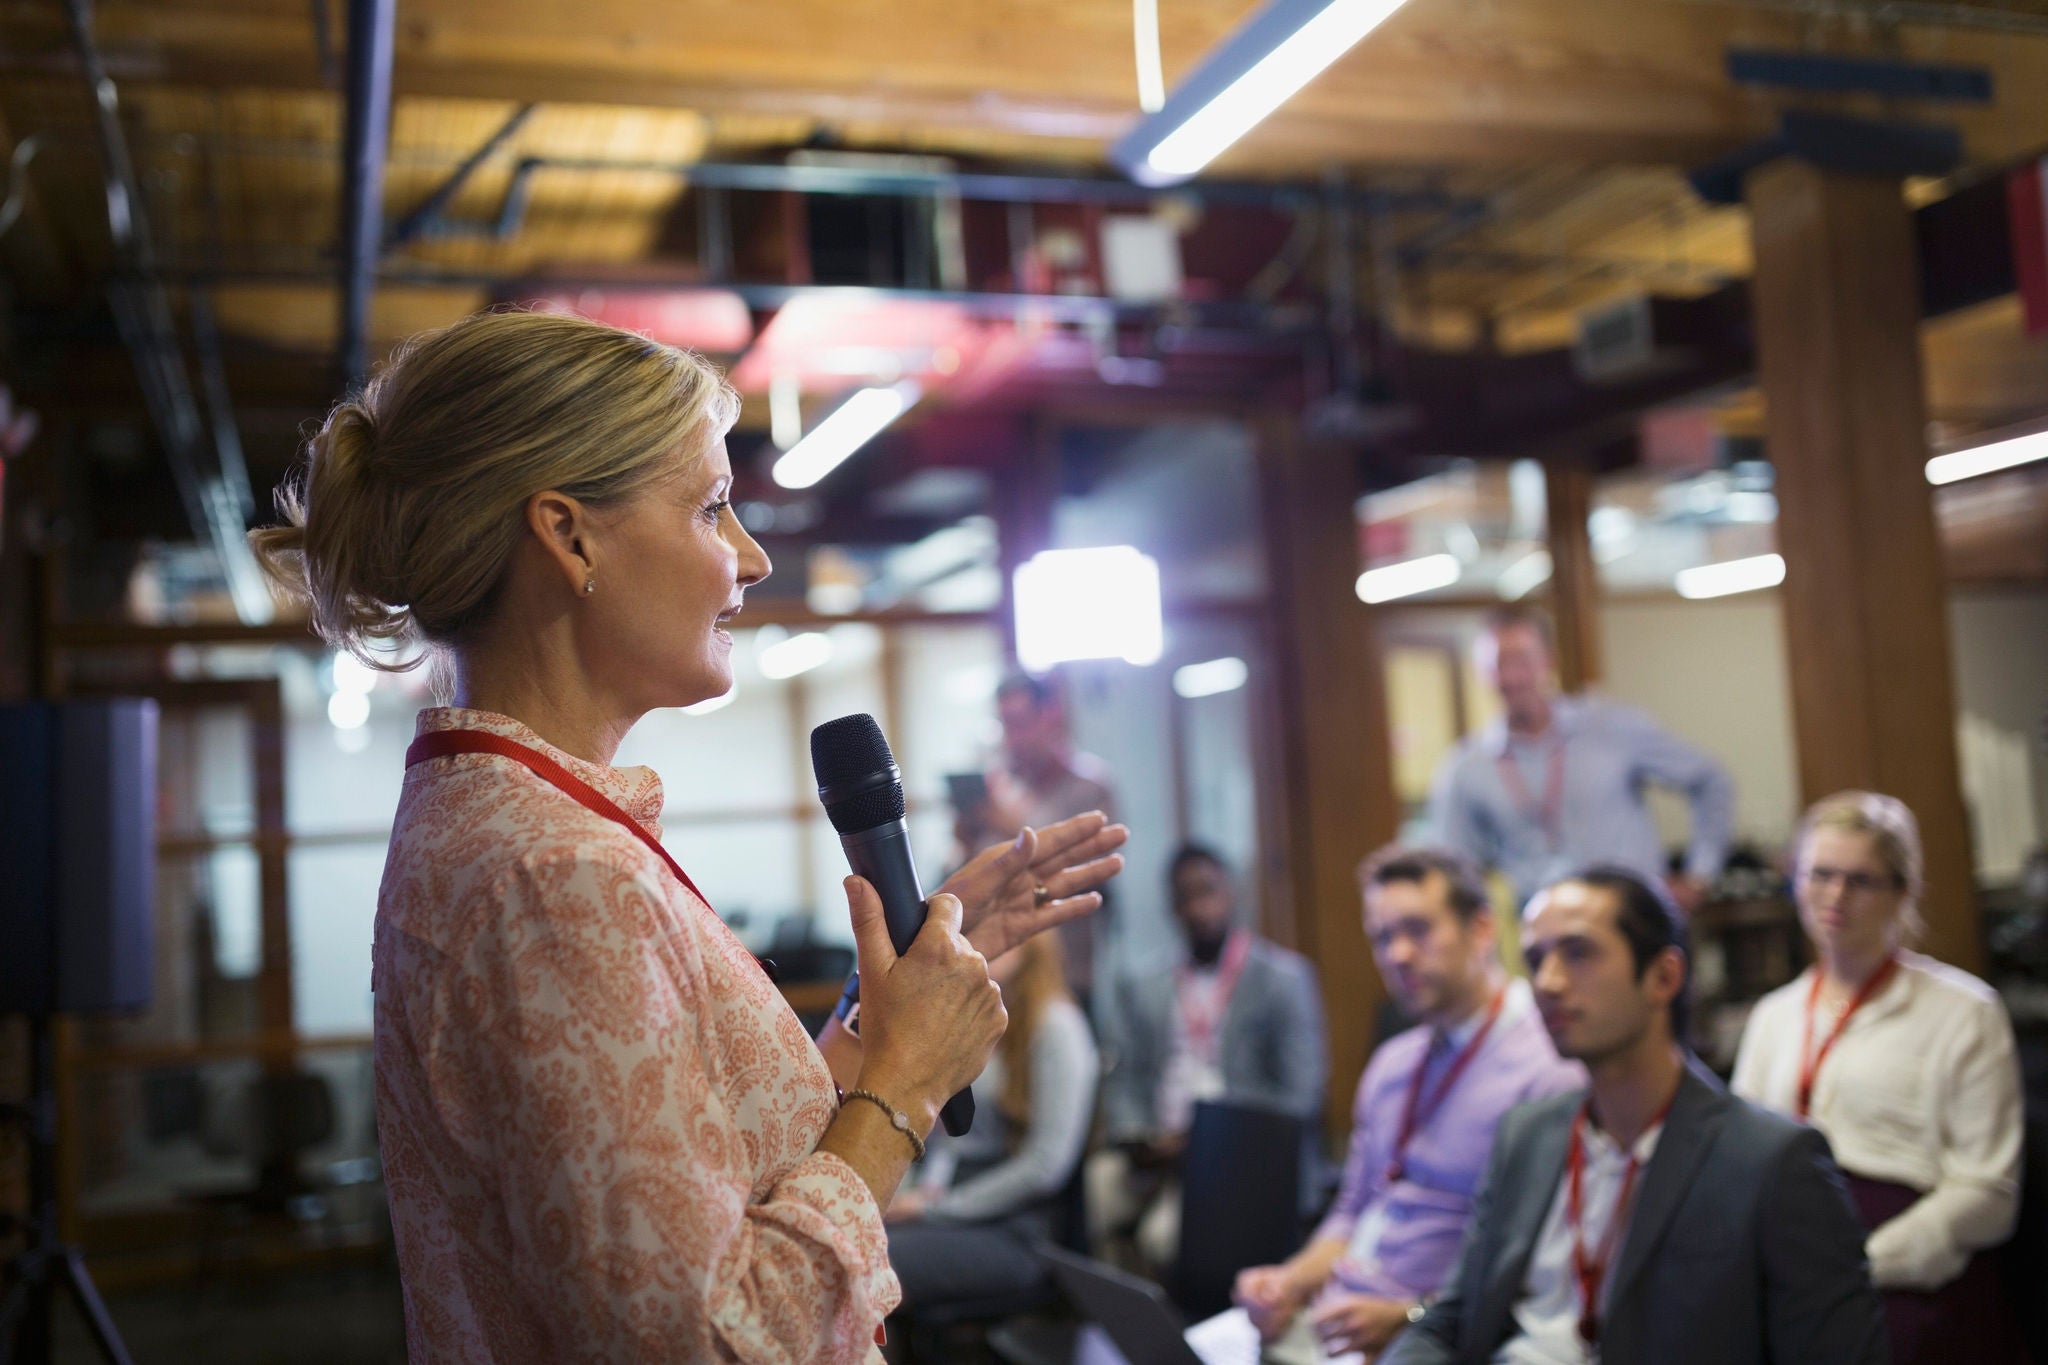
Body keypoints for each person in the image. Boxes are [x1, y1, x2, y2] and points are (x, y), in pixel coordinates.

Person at [249, 308, 1128, 1363]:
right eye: (712, 508)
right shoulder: (555, 876)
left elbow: (694, 1176)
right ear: (569, 534)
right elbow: (703, 1340)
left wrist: (883, 1022)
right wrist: (901, 1093)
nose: (749, 559)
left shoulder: (522, 821)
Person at [1383, 867, 1886, 1365]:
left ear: (1663, 977)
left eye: (1578, 953)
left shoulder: (1771, 1162)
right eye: (1536, 959)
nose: (1548, 982)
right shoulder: (1528, 1134)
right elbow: (1450, 1317)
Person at [1232, 847, 1580, 1361]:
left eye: (1417, 930)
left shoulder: (1547, 1066)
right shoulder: (1393, 1064)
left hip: (1430, 1336)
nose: (1397, 954)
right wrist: (1286, 1284)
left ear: (1482, 929)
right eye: (1382, 937)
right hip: (1336, 1324)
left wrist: (1412, 1315)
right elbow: (1353, 1214)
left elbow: (1529, 1272)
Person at [1732, 791, 2026, 1364]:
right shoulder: (1773, 1016)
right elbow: (1737, 1165)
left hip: (1909, 1273)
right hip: (1790, 1265)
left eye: (1860, 880)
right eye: (1820, 875)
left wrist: (1864, 1262)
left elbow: (1988, 1193)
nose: (1835, 897)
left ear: (1901, 891)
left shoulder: (1963, 1011)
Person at [1091, 843, 1327, 1272]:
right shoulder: (1149, 986)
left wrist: (1208, 1138)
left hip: (1242, 1155)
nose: (1200, 908)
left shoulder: (1282, 980)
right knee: (1097, 1191)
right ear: (1172, 906)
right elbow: (1126, 1077)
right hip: (1160, 1147)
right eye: (1186, 897)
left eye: (1208, 891)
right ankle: (1121, 1325)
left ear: (1231, 892)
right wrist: (1134, 1134)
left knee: (1162, 1239)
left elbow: (1301, 1097)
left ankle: (1171, 1328)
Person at [1428, 605, 1734, 911]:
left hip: (1635, 917)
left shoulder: (1611, 727)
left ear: (1549, 660)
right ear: (1482, 672)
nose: (1511, 676)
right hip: (1542, 931)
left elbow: (1709, 780)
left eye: (1521, 660)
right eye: (1498, 664)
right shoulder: (1466, 767)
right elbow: (1454, 868)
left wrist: (1700, 875)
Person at [884, 933, 1098, 1311]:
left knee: (865, 1264)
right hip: (949, 1202)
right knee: (852, 1241)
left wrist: (934, 1208)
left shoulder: (1056, 1026)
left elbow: (1045, 1166)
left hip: (1013, 1225)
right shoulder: (967, 1019)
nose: (986, 937)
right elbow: (942, 1141)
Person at [957, 672, 1121, 1000]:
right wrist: (966, 838)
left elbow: (1094, 870)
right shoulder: (999, 785)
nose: (1013, 737)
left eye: (1020, 722)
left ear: (1049, 716)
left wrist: (1011, 827)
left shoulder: (1089, 785)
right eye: (1005, 724)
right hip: (1001, 965)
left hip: (1068, 964)